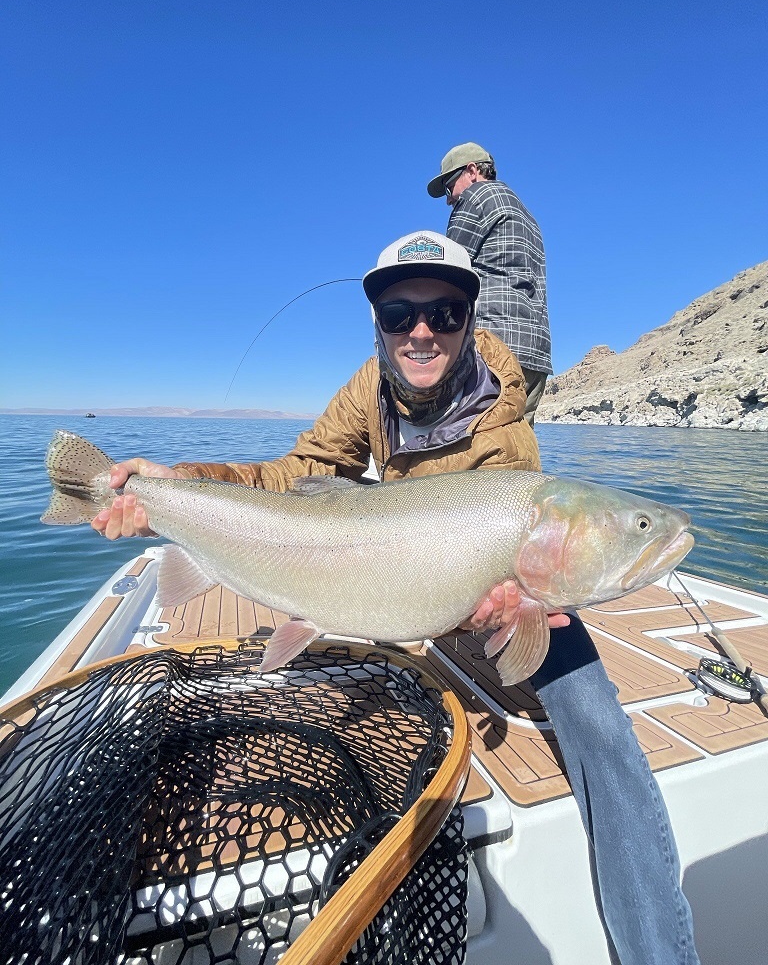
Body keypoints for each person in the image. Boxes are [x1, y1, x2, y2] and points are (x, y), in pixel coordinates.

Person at [94, 230, 700, 965]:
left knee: (596, 721)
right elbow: (302, 474)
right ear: (379, 323)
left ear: (469, 319)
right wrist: (172, 484)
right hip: (398, 573)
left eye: (443, 313)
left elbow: (513, 608)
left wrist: (512, 616)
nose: (420, 330)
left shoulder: (505, 431)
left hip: (484, 593)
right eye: (399, 314)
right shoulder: (367, 388)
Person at [428, 142, 552, 425]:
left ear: (472, 171)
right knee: (518, 448)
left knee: (472, 449)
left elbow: (448, 270)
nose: (449, 199)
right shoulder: (528, 215)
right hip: (535, 354)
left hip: (493, 348)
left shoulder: (476, 197)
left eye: (449, 187)